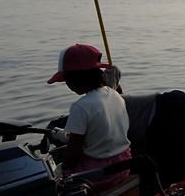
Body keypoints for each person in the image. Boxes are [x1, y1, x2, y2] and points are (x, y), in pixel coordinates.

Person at [47, 43, 132, 188]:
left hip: (100, 173)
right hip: (123, 165)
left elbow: (74, 153)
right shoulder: (114, 95)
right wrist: (63, 135)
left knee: (51, 180)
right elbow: (98, 135)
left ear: (74, 79)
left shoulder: (80, 106)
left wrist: (61, 170)